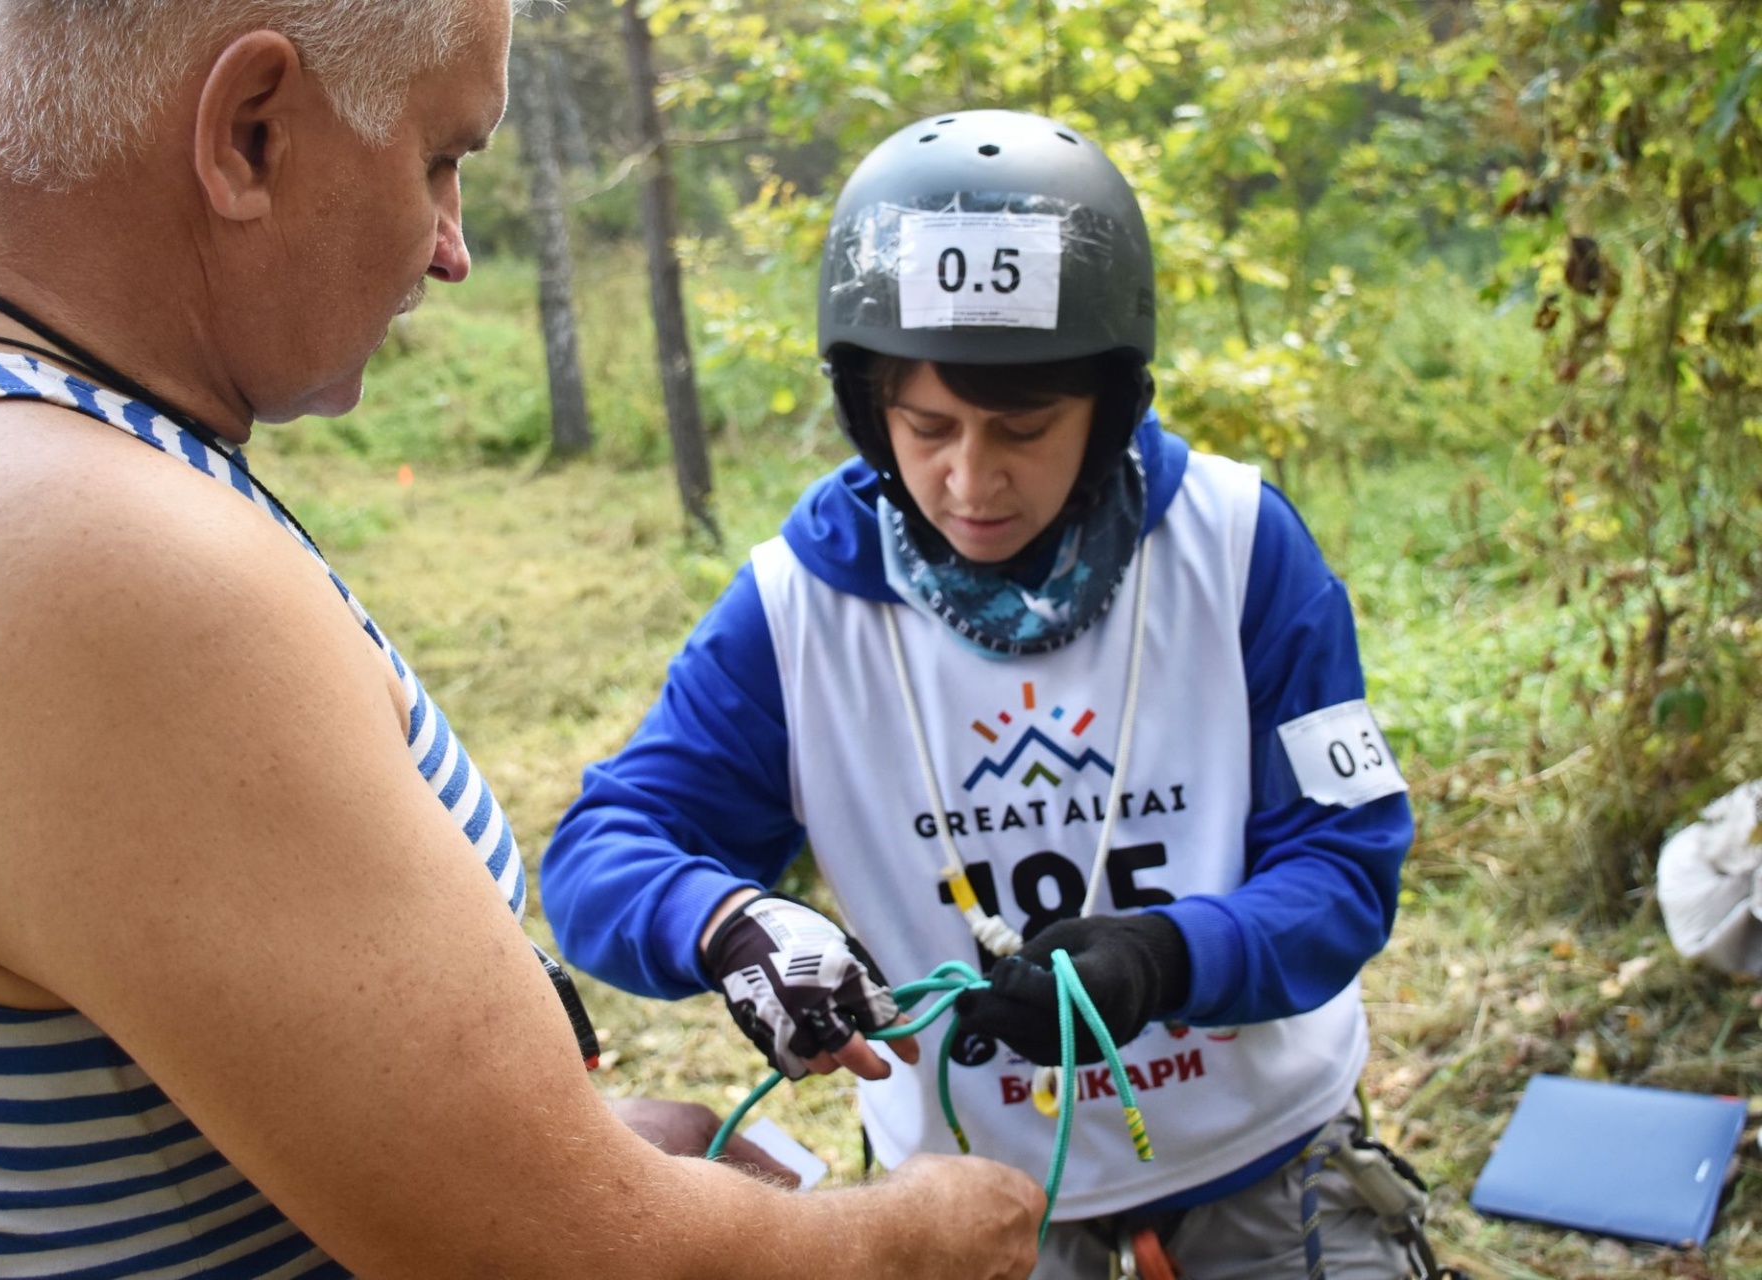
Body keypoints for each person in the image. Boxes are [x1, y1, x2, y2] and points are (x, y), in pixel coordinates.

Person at [0, 7, 1047, 1277]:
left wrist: (488, 1150)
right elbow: (574, 1262)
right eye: (439, 159)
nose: (455, 246)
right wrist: (918, 1235)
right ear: (249, 133)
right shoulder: (83, 557)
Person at [542, 109, 1425, 1278]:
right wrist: (733, 924)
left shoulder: (1240, 547)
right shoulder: (800, 609)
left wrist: (1170, 955)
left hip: (1261, 1148)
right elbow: (605, 847)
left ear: (1109, 407)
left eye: (1024, 428)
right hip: (967, 1193)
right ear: (870, 409)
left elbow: (1345, 858)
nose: (971, 479)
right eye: (927, 426)